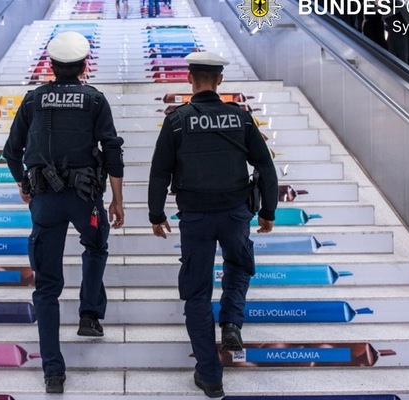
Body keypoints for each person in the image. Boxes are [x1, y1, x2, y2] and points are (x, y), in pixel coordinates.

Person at [147, 51, 278, 398]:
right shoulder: (241, 118)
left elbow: (160, 170)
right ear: (219, 80)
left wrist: (156, 214)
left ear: (190, 79)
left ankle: (210, 376)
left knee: (196, 292)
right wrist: (268, 211)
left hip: (196, 218)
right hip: (236, 212)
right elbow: (265, 167)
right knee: (238, 265)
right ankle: (232, 323)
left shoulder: (177, 120)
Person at [2, 31, 125, 394]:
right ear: (85, 66)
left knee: (47, 287)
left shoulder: (32, 100)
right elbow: (113, 150)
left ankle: (53, 372)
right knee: (97, 246)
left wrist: (24, 184)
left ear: (51, 67)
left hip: (45, 202)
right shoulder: (94, 100)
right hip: (85, 199)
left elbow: (12, 151)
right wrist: (117, 199)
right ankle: (89, 315)